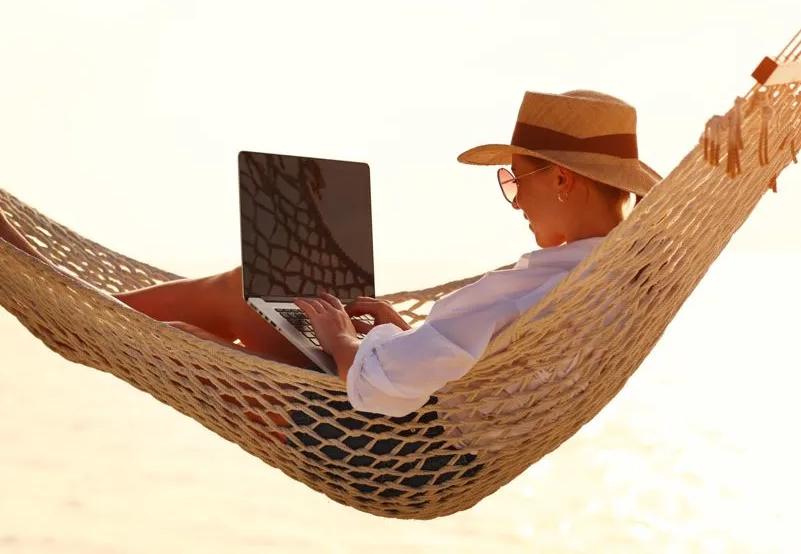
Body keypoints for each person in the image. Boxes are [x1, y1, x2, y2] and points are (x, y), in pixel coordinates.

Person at [0, 89, 660, 419]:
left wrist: (344, 339)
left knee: (209, 313)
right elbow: (470, 360)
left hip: (386, 441)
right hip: (412, 418)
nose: (513, 200)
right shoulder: (594, 273)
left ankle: (60, 300)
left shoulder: (551, 280)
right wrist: (390, 328)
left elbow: (389, 388)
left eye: (514, 178)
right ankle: (67, 304)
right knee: (207, 319)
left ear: (563, 179)